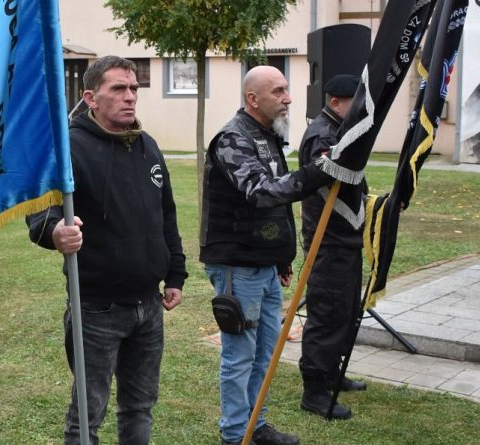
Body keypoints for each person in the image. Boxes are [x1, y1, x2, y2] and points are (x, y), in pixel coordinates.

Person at [26, 55, 187, 445]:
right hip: (96, 309)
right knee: (87, 414)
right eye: (118, 88)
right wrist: (55, 232)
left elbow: (166, 215)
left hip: (148, 306)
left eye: (133, 88)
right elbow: (40, 214)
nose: (130, 96)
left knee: (139, 407)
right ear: (91, 98)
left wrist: (176, 274)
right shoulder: (68, 149)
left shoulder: (147, 145)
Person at [200, 65, 330, 445]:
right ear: (252, 99)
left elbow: (275, 207)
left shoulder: (268, 135)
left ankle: (256, 425)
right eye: (278, 91)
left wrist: (280, 256)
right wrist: (317, 172)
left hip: (264, 263)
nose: (288, 98)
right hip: (238, 264)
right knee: (240, 354)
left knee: (266, 354)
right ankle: (234, 435)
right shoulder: (232, 138)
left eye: (286, 89)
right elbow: (260, 192)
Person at [296, 74, 367, 420]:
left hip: (345, 239)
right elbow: (326, 177)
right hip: (328, 241)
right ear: (336, 102)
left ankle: (332, 373)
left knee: (345, 310)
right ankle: (314, 390)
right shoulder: (323, 135)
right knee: (326, 314)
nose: (362, 109)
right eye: (357, 103)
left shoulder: (340, 129)